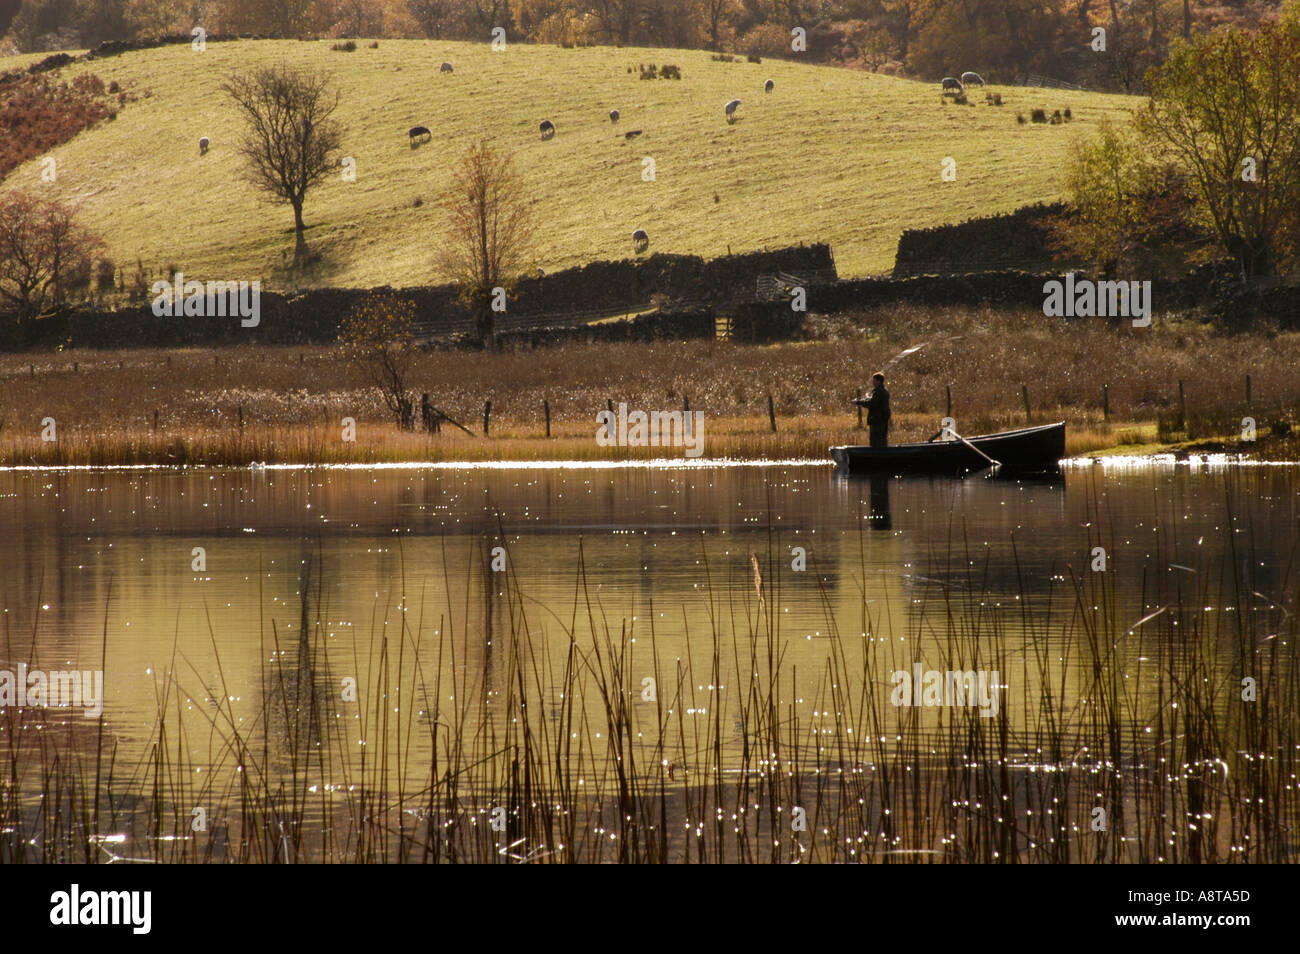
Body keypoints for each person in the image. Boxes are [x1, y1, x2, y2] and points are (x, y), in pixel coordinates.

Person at [864, 372, 890, 448]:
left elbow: (872, 404)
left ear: (879, 381)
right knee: (881, 441)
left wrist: (859, 402)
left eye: (874, 381)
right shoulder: (881, 391)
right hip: (881, 420)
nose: (873, 382)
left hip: (877, 421)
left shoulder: (879, 392)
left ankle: (878, 456)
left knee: (876, 442)